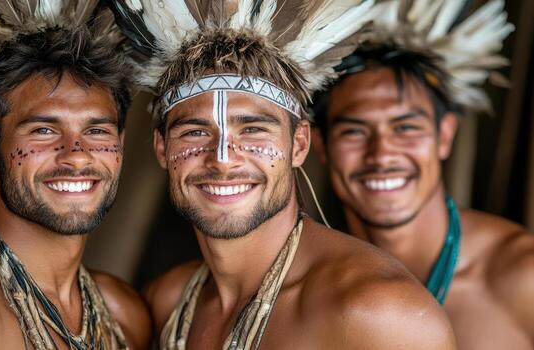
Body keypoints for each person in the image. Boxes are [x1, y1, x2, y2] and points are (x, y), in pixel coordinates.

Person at [109, 0, 456, 348]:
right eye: (195, 133)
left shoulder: (379, 312)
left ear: (299, 144)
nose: (223, 160)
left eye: (254, 131)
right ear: (161, 148)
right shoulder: (168, 301)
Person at [0, 1, 150, 348]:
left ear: (121, 145)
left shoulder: (122, 315)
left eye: (97, 131)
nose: (77, 156)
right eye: (43, 131)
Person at [311, 0, 534, 348]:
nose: (381, 154)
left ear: (444, 135)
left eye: (405, 127)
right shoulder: (304, 290)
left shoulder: (521, 277)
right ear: (318, 144)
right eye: (354, 132)